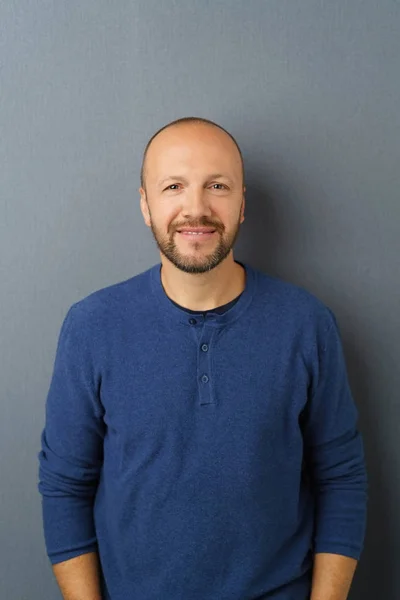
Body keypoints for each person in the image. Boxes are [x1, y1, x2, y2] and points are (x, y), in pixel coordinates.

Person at [38, 116, 368, 600]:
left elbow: (341, 476)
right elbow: (65, 486)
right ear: (146, 205)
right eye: (174, 186)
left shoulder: (306, 323)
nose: (196, 209)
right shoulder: (91, 327)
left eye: (217, 185)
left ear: (241, 204)